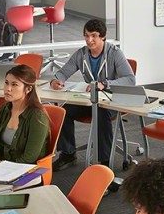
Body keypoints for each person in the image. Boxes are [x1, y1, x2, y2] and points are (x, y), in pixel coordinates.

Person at [50, 18, 135, 169]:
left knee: (101, 113)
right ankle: (68, 154)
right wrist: (56, 80)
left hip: (110, 101)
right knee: (63, 111)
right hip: (90, 100)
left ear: (103, 36)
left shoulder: (115, 53)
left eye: (94, 36)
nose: (89, 40)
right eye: (87, 36)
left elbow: (130, 80)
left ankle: (104, 162)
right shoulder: (81, 54)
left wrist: (105, 84)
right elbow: (63, 72)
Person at [0, 64, 49, 165]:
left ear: (28, 89)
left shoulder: (37, 117)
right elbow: (0, 147)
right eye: (6, 83)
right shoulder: (4, 110)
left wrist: (3, 167)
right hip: (6, 165)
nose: (8, 89)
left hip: (27, 169)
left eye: (14, 84)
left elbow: (29, 158)